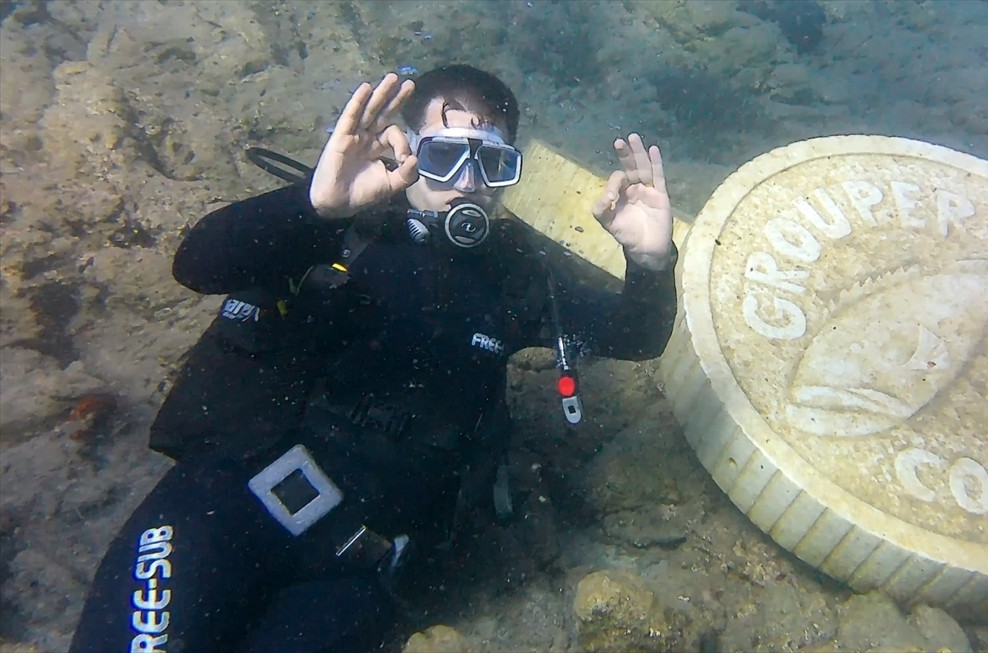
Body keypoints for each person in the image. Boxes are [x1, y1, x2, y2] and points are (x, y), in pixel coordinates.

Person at [69, 64, 677, 653]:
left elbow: (635, 337)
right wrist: (314, 206)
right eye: (445, 156)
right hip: (228, 504)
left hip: (359, 571)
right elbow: (197, 265)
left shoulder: (516, 276)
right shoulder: (344, 221)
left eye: (493, 164)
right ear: (406, 150)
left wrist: (651, 265)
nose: (468, 182)